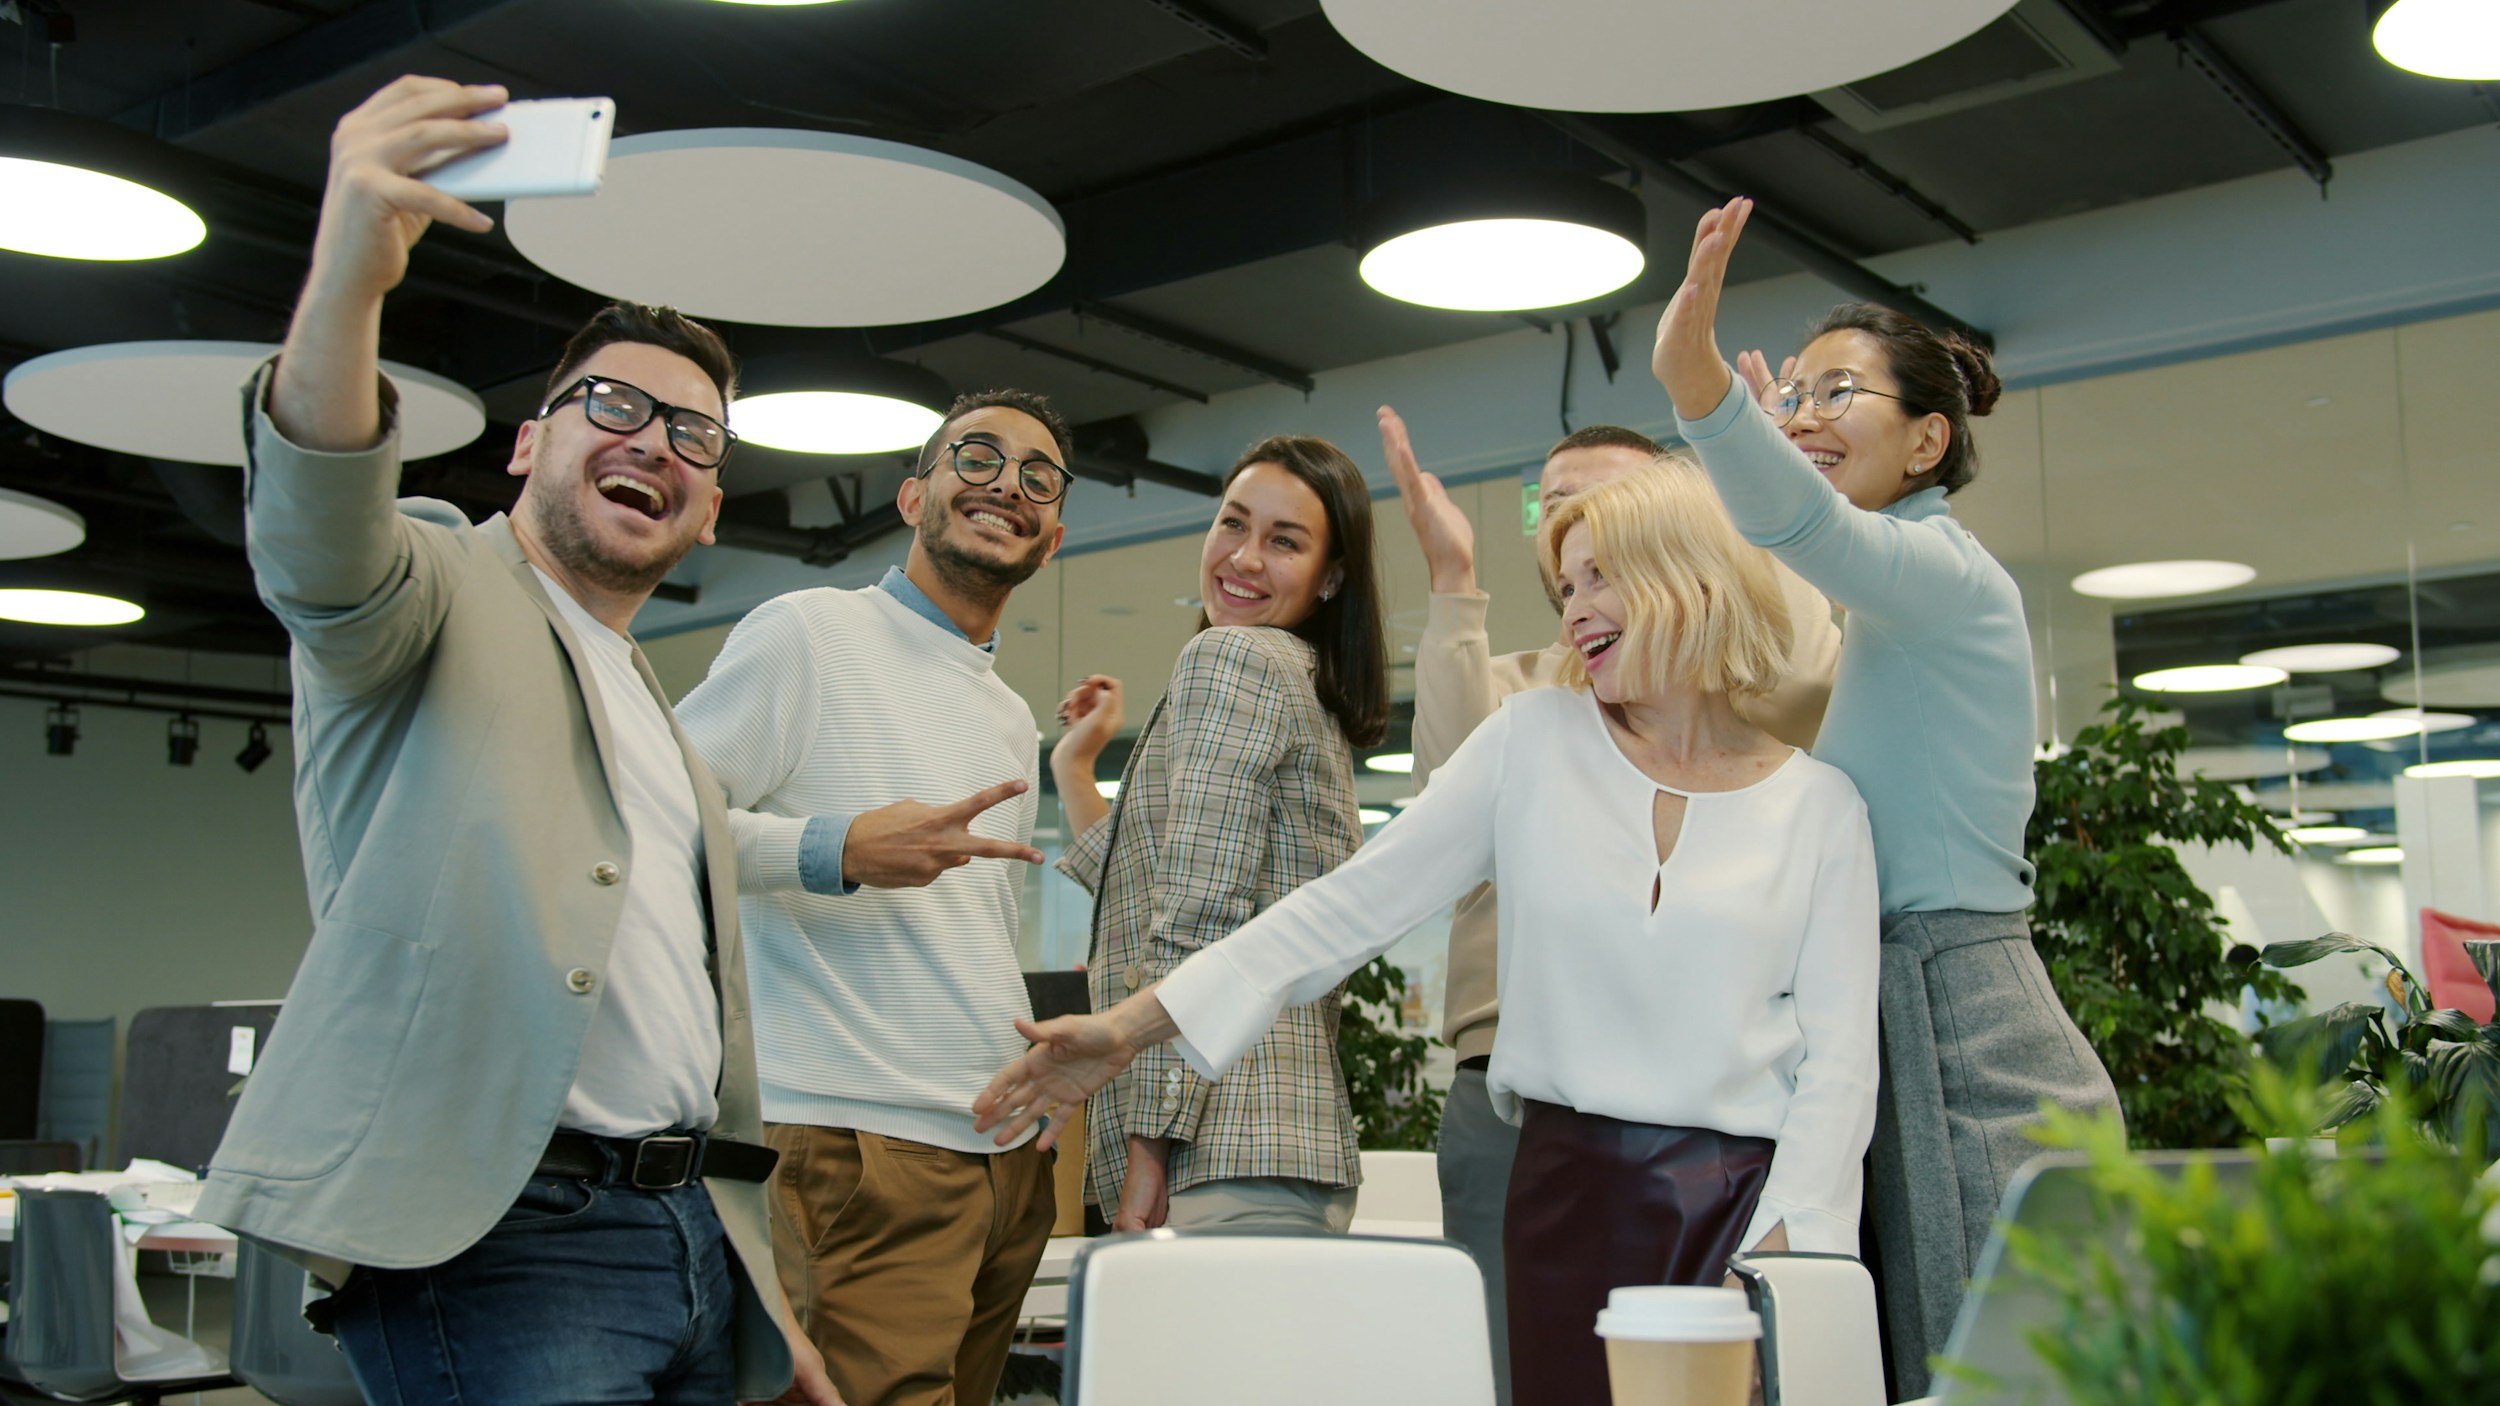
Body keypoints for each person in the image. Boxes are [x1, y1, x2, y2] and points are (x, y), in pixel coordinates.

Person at [195, 77, 836, 1406]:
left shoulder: (657, 712)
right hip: (504, 1234)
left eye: (693, 433)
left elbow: (683, 1029)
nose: (652, 440)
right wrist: (352, 279)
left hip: (693, 1238)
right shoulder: (436, 579)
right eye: (612, 405)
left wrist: (766, 1306)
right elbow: (320, 542)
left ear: (709, 510)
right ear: (529, 445)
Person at [980, 465, 1881, 1406]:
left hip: (1743, 1206)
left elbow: (1840, 1073)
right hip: (1566, 1198)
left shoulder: (1820, 808)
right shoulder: (1532, 742)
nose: (1575, 611)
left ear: (1688, 575)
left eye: (1600, 578)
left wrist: (1782, 1260)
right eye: (1564, 587)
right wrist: (1126, 1029)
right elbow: (1341, 911)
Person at [1651, 196, 2123, 1396]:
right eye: (1793, 394)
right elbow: (1784, 569)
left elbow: (1800, 524)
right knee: (1927, 1352)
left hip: (1958, 1008)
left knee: (1977, 1365)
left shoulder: (1942, 575)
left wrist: (1696, 380)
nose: (1806, 414)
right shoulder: (1897, 599)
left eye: (1835, 393)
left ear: (1925, 441)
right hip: (1904, 998)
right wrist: (1754, 438)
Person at [1382, 410, 1843, 1402]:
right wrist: (1455, 587)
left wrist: (1765, 494)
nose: (1574, 526)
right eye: (1556, 508)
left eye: (1604, 505)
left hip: (1692, 1114)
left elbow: (1800, 677)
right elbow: (1438, 809)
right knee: (1520, 1367)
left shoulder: (1744, 741)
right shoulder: (1521, 698)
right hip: (1508, 1078)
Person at [676, 391, 1076, 1406]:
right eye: (975, 457)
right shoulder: (808, 632)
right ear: (913, 495)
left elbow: (967, 927)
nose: (1004, 484)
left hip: (998, 1154)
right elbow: (646, 817)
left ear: (1053, 533)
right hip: (852, 1143)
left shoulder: (1004, 708)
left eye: (1037, 475)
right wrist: (836, 846)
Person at [1045, 435, 1390, 1235]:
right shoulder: (1300, 681)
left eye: (1284, 541)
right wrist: (1077, 766)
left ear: (1331, 577)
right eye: (1233, 525)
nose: (1243, 557)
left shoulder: (1231, 658)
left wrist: (1149, 1151)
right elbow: (1157, 881)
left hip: (1215, 1145)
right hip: (1281, 1144)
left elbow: (1200, 923)